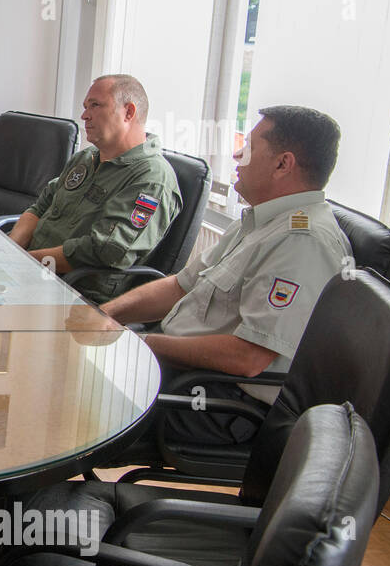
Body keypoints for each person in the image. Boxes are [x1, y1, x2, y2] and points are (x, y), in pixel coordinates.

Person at [102, 105, 350, 442]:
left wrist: (143, 344)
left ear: (283, 163)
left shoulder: (303, 241)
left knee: (75, 397)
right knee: (69, 365)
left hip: (218, 403)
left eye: (248, 147)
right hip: (178, 368)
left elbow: (248, 358)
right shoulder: (260, 222)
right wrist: (105, 315)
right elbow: (179, 286)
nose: (236, 154)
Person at [9, 74, 182, 303]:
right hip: (31, 272)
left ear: (129, 112)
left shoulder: (151, 178)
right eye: (85, 107)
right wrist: (9, 250)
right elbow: (41, 206)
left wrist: (22, 262)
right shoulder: (86, 158)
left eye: (95, 105)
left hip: (73, 293)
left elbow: (104, 250)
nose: (84, 115)